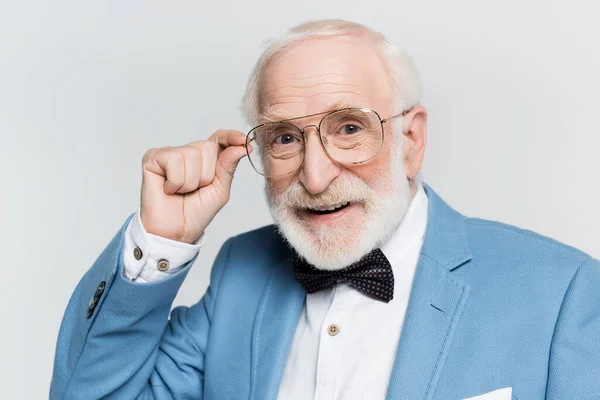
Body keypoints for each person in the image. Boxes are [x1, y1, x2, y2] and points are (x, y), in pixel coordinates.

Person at [50, 19, 600, 400]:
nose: (315, 177)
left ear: (411, 140)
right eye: (286, 137)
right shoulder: (240, 274)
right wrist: (160, 241)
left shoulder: (563, 294)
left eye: (350, 128)